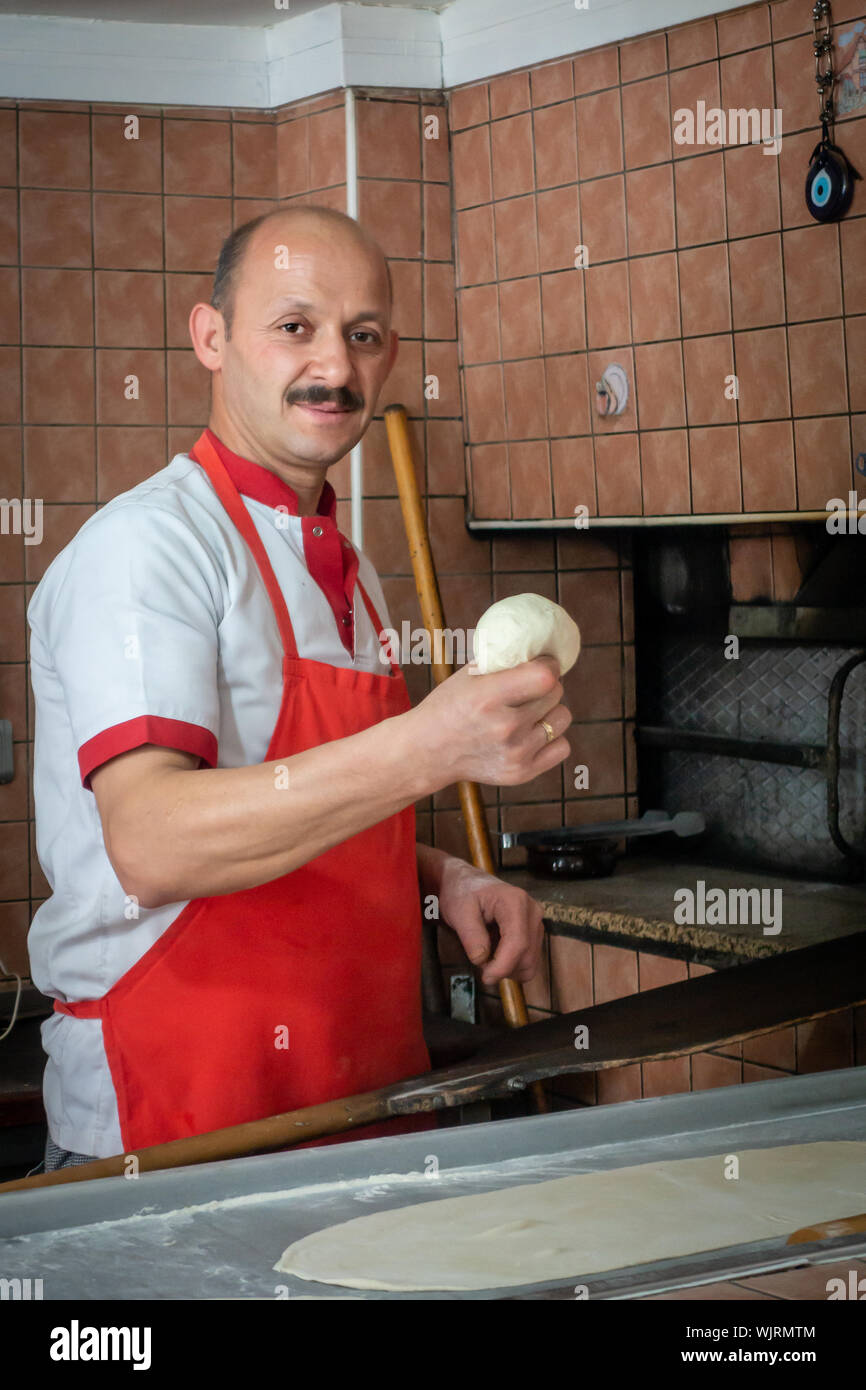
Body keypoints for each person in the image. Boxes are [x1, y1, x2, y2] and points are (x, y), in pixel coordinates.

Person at [26, 205, 572, 1170]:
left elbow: (308, 803)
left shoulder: (342, 569)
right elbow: (151, 841)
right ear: (211, 337)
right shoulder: (150, 548)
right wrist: (429, 747)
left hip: (357, 1101)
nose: (335, 367)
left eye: (363, 336)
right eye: (295, 327)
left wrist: (445, 876)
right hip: (182, 1112)